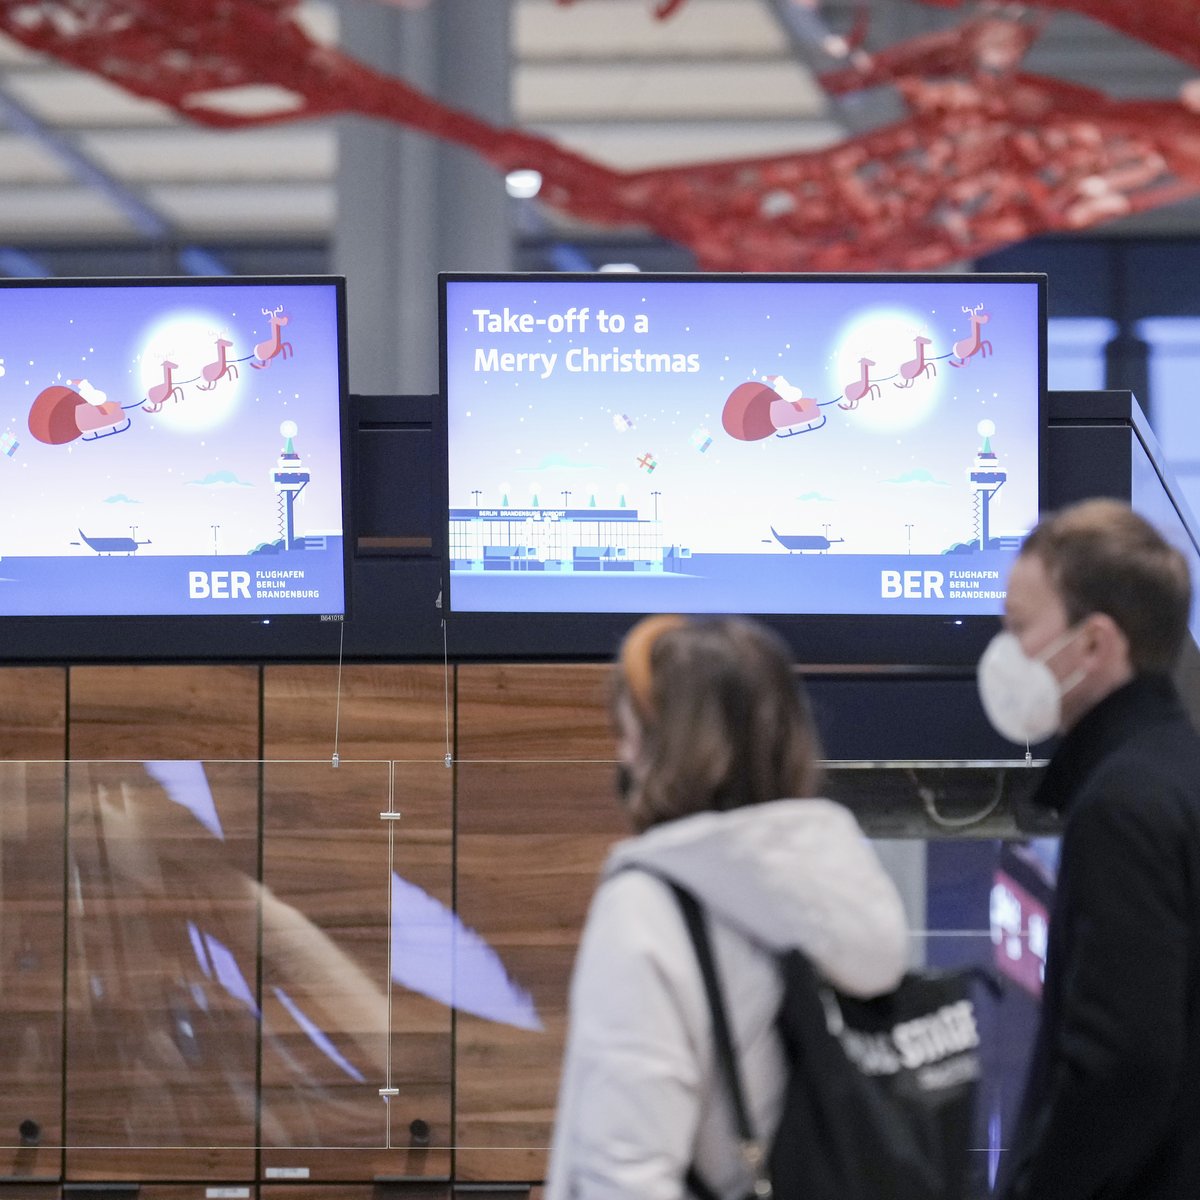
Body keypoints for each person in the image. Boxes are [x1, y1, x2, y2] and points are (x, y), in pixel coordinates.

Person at [545, 613, 908, 1200]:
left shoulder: (648, 906)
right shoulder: (845, 880)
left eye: (631, 730)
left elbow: (621, 1171)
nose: (622, 752)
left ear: (667, 747)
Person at [977, 498, 1200, 1200]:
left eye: (1018, 628)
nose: (1004, 651)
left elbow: (1121, 1060)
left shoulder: (1122, 805)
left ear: (1096, 644)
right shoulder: (1177, 770)